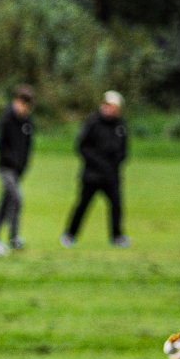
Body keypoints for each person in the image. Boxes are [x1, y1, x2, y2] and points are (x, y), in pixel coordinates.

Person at [61, 90, 129, 249]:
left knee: (116, 205)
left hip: (111, 175)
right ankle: (70, 235)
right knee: (83, 204)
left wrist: (115, 163)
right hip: (92, 174)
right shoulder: (93, 122)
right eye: (107, 105)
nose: (109, 109)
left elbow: (123, 150)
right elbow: (82, 146)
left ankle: (117, 237)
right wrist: (98, 163)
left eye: (113, 106)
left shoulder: (120, 126)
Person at [0, 85, 35, 257]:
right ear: (16, 101)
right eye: (22, 104)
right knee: (16, 198)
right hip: (6, 167)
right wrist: (10, 161)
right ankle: (13, 237)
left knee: (6, 200)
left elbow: (28, 146)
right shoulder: (6, 119)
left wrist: (23, 165)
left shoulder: (27, 122)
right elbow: (0, 144)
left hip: (19, 169)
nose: (23, 108)